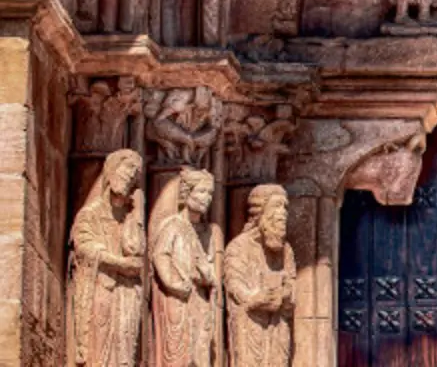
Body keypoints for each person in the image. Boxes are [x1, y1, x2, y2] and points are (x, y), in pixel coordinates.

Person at [70, 149, 145, 367]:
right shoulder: (91, 213)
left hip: (127, 292)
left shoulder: (130, 218)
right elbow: (85, 247)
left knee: (124, 352)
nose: (130, 177)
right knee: (98, 348)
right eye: (126, 171)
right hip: (100, 288)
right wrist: (119, 263)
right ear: (111, 171)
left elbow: (136, 249)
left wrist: (138, 213)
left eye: (135, 175)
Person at [150, 168, 221, 367]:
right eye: (201, 192)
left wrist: (208, 277)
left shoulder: (206, 233)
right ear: (186, 193)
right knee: (177, 355)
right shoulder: (173, 225)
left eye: (210, 194)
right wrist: (177, 283)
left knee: (200, 355)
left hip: (199, 301)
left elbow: (209, 268)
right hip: (178, 300)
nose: (206, 198)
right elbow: (160, 255)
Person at [225, 184, 296, 367]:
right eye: (276, 207)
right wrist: (255, 298)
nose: (282, 214)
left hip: (277, 325)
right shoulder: (239, 247)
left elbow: (291, 282)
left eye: (284, 208)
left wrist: (285, 294)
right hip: (250, 324)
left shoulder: (285, 250)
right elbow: (234, 284)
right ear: (260, 214)